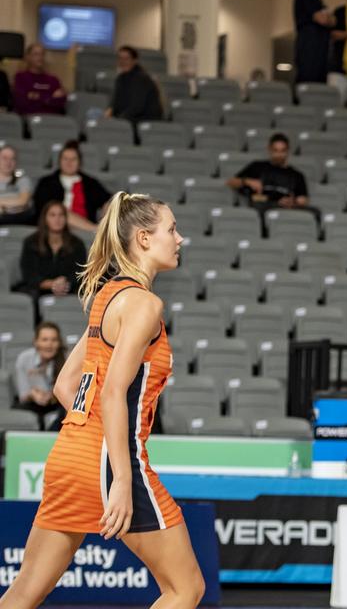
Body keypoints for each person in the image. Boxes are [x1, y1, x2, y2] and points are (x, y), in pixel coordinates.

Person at [0, 192, 204, 609]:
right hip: (109, 462)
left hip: (69, 458)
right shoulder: (146, 304)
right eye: (172, 229)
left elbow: (64, 386)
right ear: (144, 239)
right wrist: (121, 481)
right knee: (186, 589)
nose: (179, 239)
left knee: (22, 595)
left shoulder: (107, 295)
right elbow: (112, 391)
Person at [225, 133, 317, 223]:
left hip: (285, 208)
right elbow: (231, 182)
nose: (279, 155)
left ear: (288, 151)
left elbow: (303, 199)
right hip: (263, 204)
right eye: (275, 150)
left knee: (315, 212)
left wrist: (293, 201)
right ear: (269, 149)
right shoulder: (257, 166)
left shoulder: (297, 175)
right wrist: (248, 181)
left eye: (283, 151)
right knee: (258, 206)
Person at [32, 142, 111, 232]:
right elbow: (45, 209)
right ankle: (96, 230)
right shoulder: (46, 182)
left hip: (85, 228)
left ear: (79, 162)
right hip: (56, 228)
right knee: (60, 211)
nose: (69, 162)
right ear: (59, 161)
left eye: (73, 159)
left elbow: (107, 200)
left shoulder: (90, 183)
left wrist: (107, 210)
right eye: (65, 159)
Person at [18, 201, 88, 298]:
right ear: (45, 218)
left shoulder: (76, 243)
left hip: (68, 289)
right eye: (52, 215)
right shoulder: (31, 242)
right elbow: (30, 274)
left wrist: (65, 283)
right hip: (39, 290)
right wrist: (52, 284)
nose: (57, 219)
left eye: (61, 215)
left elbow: (80, 272)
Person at [11, 322, 66, 424]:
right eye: (44, 340)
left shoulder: (66, 359)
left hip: (57, 403)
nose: (49, 344)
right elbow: (23, 395)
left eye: (54, 340)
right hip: (31, 403)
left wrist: (52, 396)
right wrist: (33, 394)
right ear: (36, 342)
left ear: (59, 343)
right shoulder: (24, 359)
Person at [295, 0, 334, 85]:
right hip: (310, 47)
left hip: (317, 48)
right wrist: (329, 19)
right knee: (310, 81)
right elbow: (323, 19)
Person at [105, 46, 163, 123]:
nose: (122, 62)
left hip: (142, 120)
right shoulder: (120, 78)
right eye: (120, 58)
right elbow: (115, 103)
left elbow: (137, 107)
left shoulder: (142, 78)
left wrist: (117, 120)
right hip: (127, 118)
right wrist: (109, 112)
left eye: (126, 59)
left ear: (134, 60)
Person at [13, 44, 67, 116]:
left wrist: (35, 96)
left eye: (42, 54)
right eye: (36, 54)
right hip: (29, 119)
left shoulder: (53, 80)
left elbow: (61, 104)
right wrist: (50, 97)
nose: (40, 57)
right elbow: (22, 104)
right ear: (28, 57)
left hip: (52, 120)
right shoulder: (21, 77)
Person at [0, 145, 34, 225]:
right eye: (4, 158)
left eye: (13, 158)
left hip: (19, 219)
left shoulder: (23, 179)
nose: (9, 162)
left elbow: (23, 201)